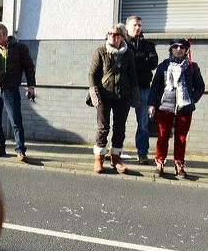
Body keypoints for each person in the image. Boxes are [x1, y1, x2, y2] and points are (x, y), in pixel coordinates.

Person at [87, 23, 139, 174]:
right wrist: (94, 93)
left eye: (116, 34)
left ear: (122, 36)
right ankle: (99, 158)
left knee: (120, 127)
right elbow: (92, 74)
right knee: (103, 127)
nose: (112, 36)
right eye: (110, 33)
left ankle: (116, 158)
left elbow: (133, 75)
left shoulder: (128, 53)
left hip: (123, 96)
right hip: (104, 95)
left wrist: (134, 95)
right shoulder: (101, 51)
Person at [148, 39, 204, 177]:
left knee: (181, 137)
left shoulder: (192, 66)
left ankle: (179, 163)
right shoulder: (164, 66)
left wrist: (192, 99)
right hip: (165, 105)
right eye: (175, 47)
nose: (179, 49)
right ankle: (160, 161)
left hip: (184, 107)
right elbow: (155, 86)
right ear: (171, 49)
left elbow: (200, 86)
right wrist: (151, 104)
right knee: (163, 135)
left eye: (182, 47)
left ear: (186, 50)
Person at [0, 22, 36, 162]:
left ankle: (20, 150)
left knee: (16, 121)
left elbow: (29, 67)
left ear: (4, 35)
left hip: (10, 89)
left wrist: (31, 86)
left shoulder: (19, 48)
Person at [125, 16, 158, 164]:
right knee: (119, 122)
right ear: (127, 27)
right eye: (134, 25)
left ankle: (142, 153)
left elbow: (153, 62)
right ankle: (115, 151)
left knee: (143, 123)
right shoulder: (123, 43)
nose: (137, 28)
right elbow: (123, 64)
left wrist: (133, 63)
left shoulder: (149, 45)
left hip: (144, 88)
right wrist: (141, 60)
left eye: (139, 25)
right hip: (125, 88)